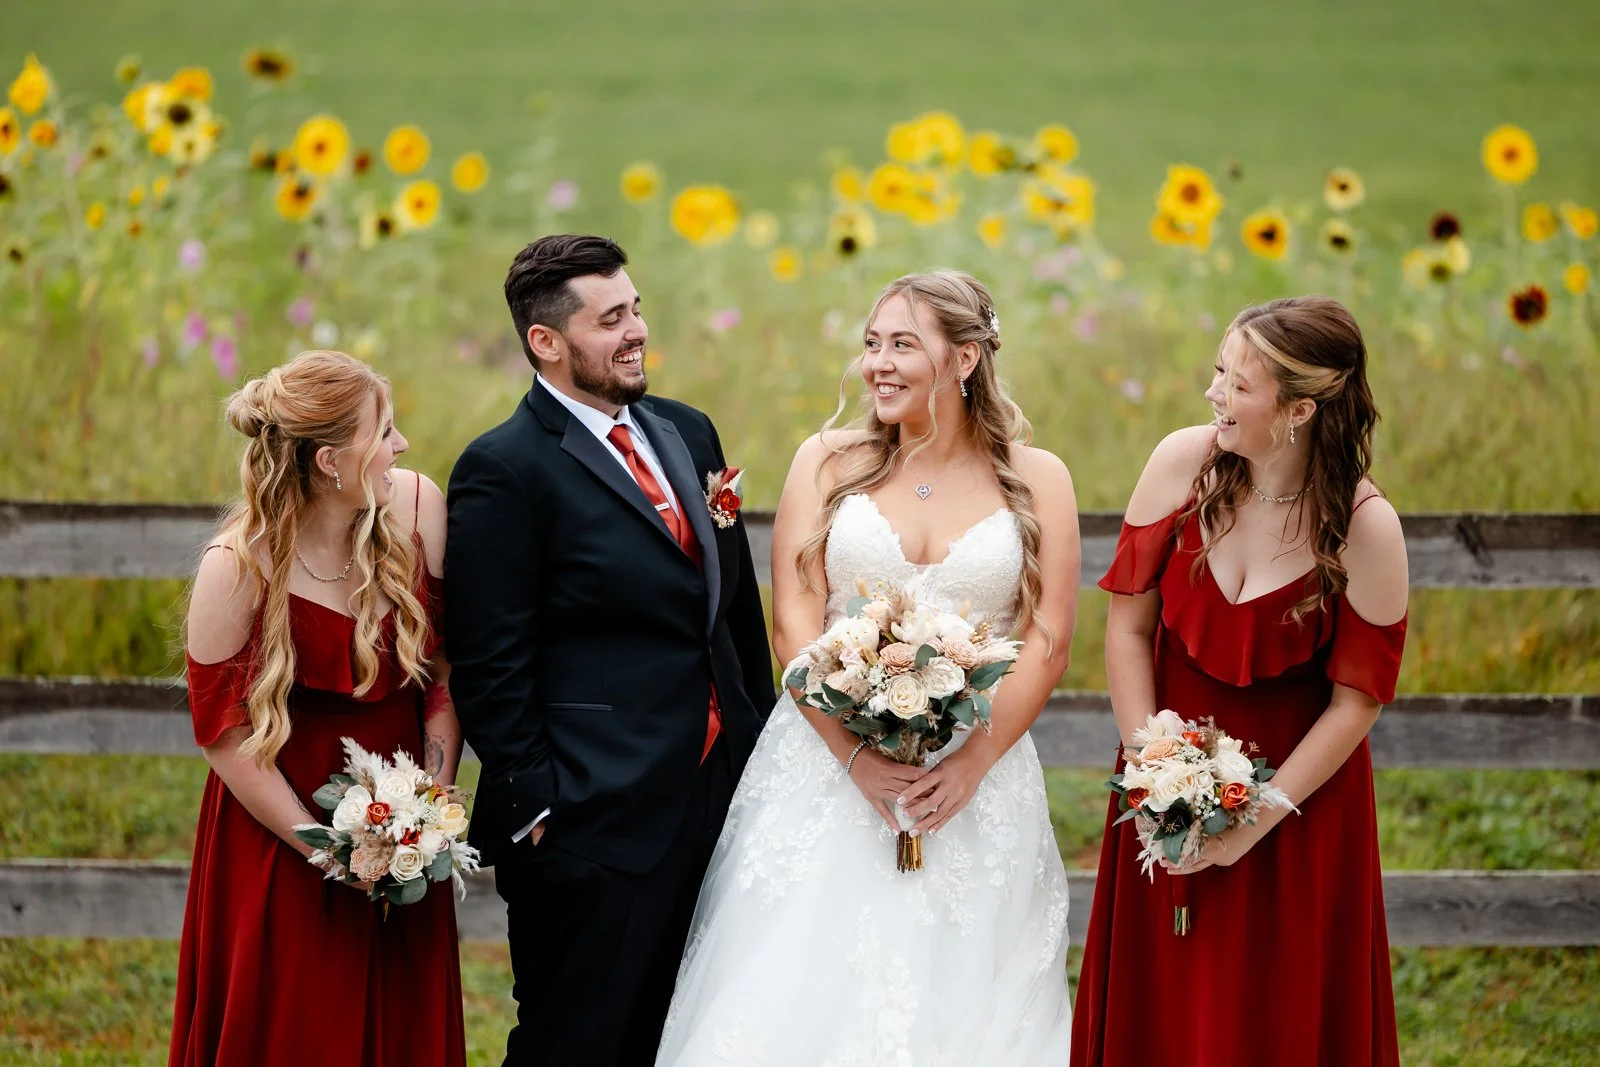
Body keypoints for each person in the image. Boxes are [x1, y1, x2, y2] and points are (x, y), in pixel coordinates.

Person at [657, 270, 1078, 1065]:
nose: (878, 363)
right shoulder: (826, 460)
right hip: (824, 767)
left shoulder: (1038, 476)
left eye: (903, 345)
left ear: (965, 359)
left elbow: (1047, 637)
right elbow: (794, 623)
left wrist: (971, 765)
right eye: (872, 343)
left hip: (976, 779)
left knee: (968, 997)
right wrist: (854, 755)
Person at [443, 234, 776, 1066]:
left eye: (636, 309)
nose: (637, 331)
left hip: (715, 797)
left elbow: (735, 611)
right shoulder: (503, 470)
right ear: (544, 343)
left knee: (693, 1037)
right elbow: (489, 661)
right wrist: (544, 806)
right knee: (579, 1044)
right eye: (611, 319)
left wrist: (762, 756)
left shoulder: (689, 432)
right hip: (592, 825)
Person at [1071, 296, 1409, 1066]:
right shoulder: (1180, 464)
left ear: (1299, 408)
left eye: (1238, 383)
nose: (1214, 393)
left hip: (1298, 810)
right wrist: (1155, 770)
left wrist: (1253, 821)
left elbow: (1357, 702)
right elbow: (1127, 627)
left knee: (1271, 1009)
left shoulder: (1365, 525)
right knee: (1164, 1000)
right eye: (1218, 370)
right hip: (1164, 787)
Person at [171, 349, 464, 1066]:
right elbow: (224, 734)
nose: (401, 446)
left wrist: (424, 809)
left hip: (403, 828)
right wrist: (327, 849)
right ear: (331, 461)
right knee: (295, 1027)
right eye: (384, 431)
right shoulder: (237, 564)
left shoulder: (419, 507)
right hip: (280, 835)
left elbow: (443, 674)